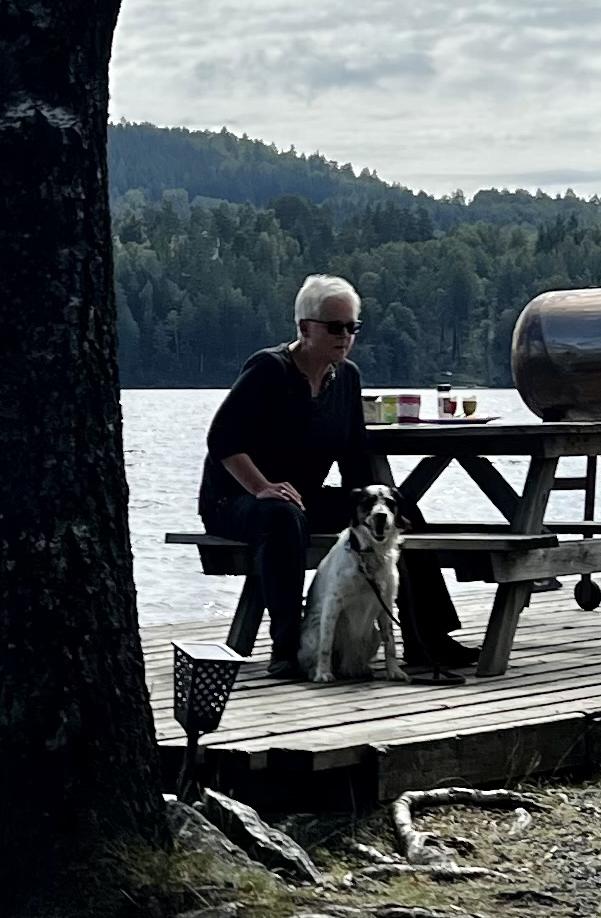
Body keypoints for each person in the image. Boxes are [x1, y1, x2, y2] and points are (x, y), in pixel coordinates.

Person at [199, 275, 468, 678]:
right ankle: (286, 649)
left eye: (352, 327)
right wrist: (261, 487)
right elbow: (221, 438)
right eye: (335, 327)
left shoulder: (347, 378)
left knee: (402, 510)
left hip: (303, 497)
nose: (345, 337)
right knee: (283, 518)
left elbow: (356, 459)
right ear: (305, 328)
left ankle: (427, 639)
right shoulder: (269, 369)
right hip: (237, 500)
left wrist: (373, 503)